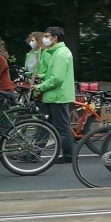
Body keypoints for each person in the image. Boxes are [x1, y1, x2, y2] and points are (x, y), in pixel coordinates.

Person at [32, 27, 77, 163]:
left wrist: (40, 86)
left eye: (46, 36)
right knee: (46, 125)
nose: (44, 39)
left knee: (61, 128)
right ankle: (34, 153)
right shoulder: (58, 52)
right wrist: (39, 76)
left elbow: (57, 78)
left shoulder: (60, 54)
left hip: (58, 96)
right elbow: (52, 74)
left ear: (55, 37)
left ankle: (69, 156)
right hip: (55, 96)